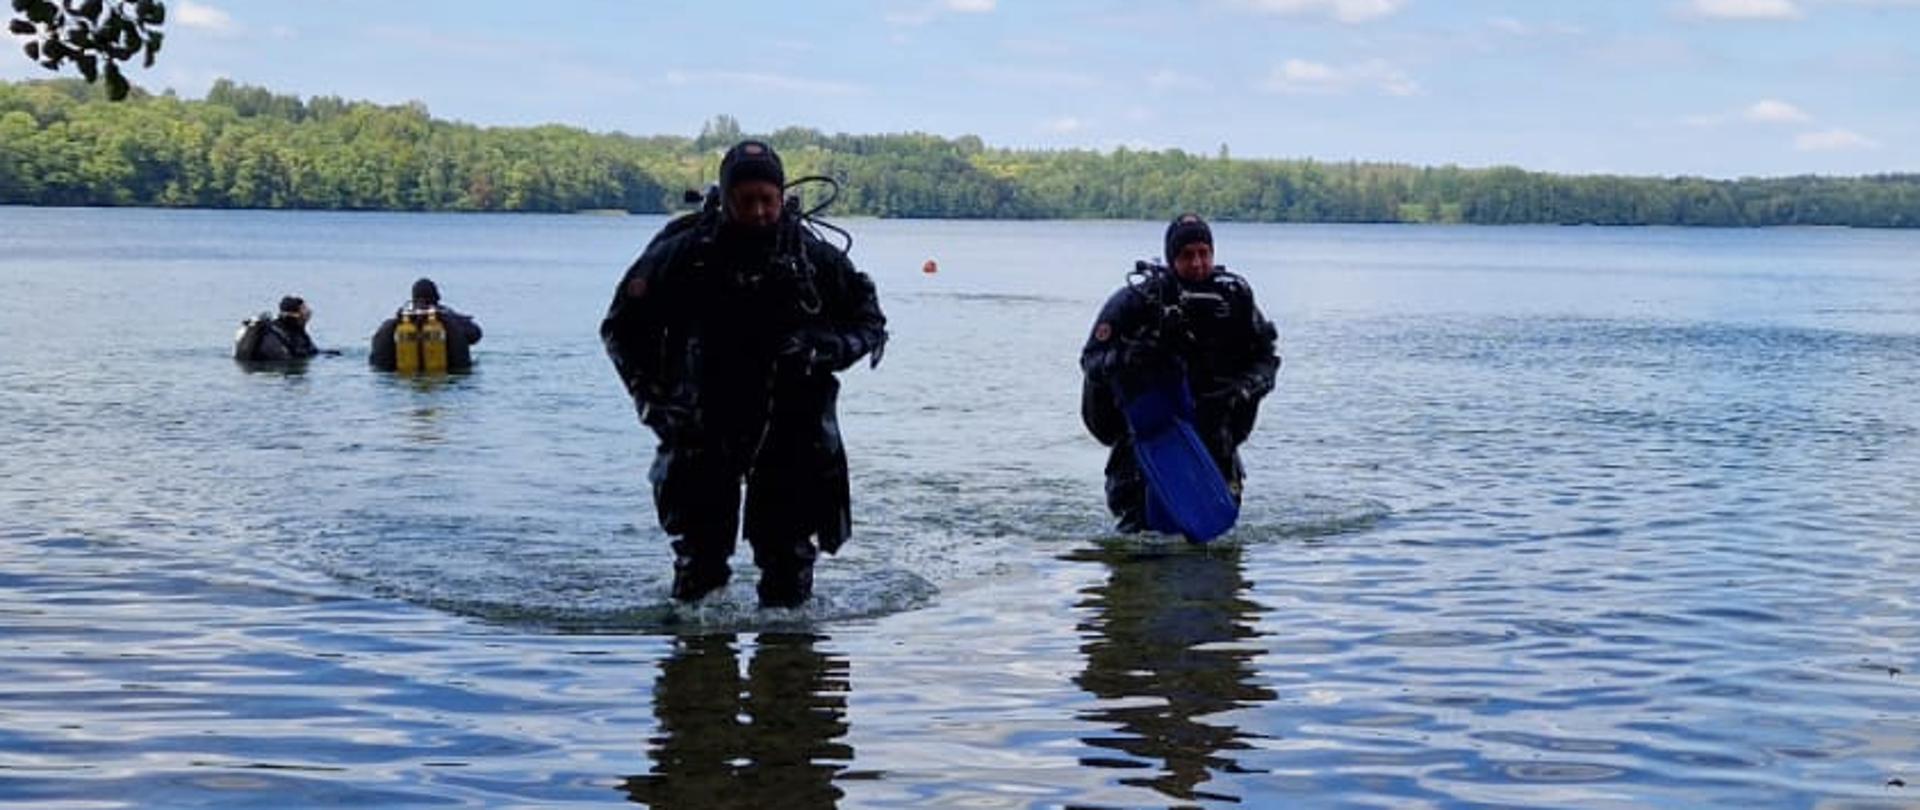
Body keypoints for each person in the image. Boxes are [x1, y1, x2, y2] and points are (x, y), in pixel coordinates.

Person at [601, 139, 887, 608]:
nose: (758, 213)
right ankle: (697, 667)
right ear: (726, 198)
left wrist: (824, 347)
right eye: (746, 201)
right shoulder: (686, 252)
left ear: (782, 197)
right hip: (702, 422)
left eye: (767, 201)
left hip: (792, 423)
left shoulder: (813, 259)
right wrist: (654, 403)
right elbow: (622, 329)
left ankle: (790, 666)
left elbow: (871, 324)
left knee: (788, 564)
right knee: (700, 565)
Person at [1080, 213, 1280, 533]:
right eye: (1188, 255)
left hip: (1215, 431)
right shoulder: (1137, 302)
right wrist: (1132, 355)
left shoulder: (1234, 299)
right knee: (1140, 542)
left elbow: (1267, 360)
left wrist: (1243, 389)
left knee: (1216, 541)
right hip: (1150, 437)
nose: (1198, 263)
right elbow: (1091, 360)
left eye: (1204, 253)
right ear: (1172, 258)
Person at [369, 278, 483, 372]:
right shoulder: (447, 316)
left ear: (413, 298)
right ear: (437, 297)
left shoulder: (404, 319)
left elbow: (376, 346)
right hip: (448, 372)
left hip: (404, 372)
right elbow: (475, 334)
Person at [233, 294, 320, 362]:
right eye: (305, 310)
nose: (309, 313)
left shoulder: (291, 331)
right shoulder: (280, 335)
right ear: (296, 315)